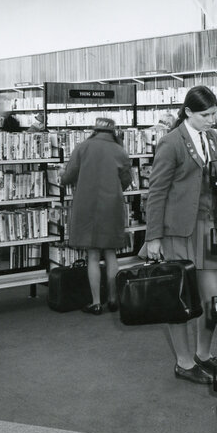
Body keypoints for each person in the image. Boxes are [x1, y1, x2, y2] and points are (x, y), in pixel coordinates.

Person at [143, 85, 217, 385]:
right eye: (206, 115)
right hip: (178, 231)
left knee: (213, 300)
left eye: (214, 114)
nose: (212, 119)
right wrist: (152, 237)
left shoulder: (211, 138)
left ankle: (204, 355)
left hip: (207, 227)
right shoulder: (170, 143)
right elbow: (156, 193)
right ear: (188, 112)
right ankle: (184, 362)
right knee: (180, 298)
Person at [60, 117, 132, 315]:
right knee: (111, 254)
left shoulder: (83, 147)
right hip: (112, 205)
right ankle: (113, 298)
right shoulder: (120, 150)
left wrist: (61, 176)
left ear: (94, 130)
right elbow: (126, 180)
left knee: (92, 255)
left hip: (87, 205)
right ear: (113, 131)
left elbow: (69, 176)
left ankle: (96, 302)